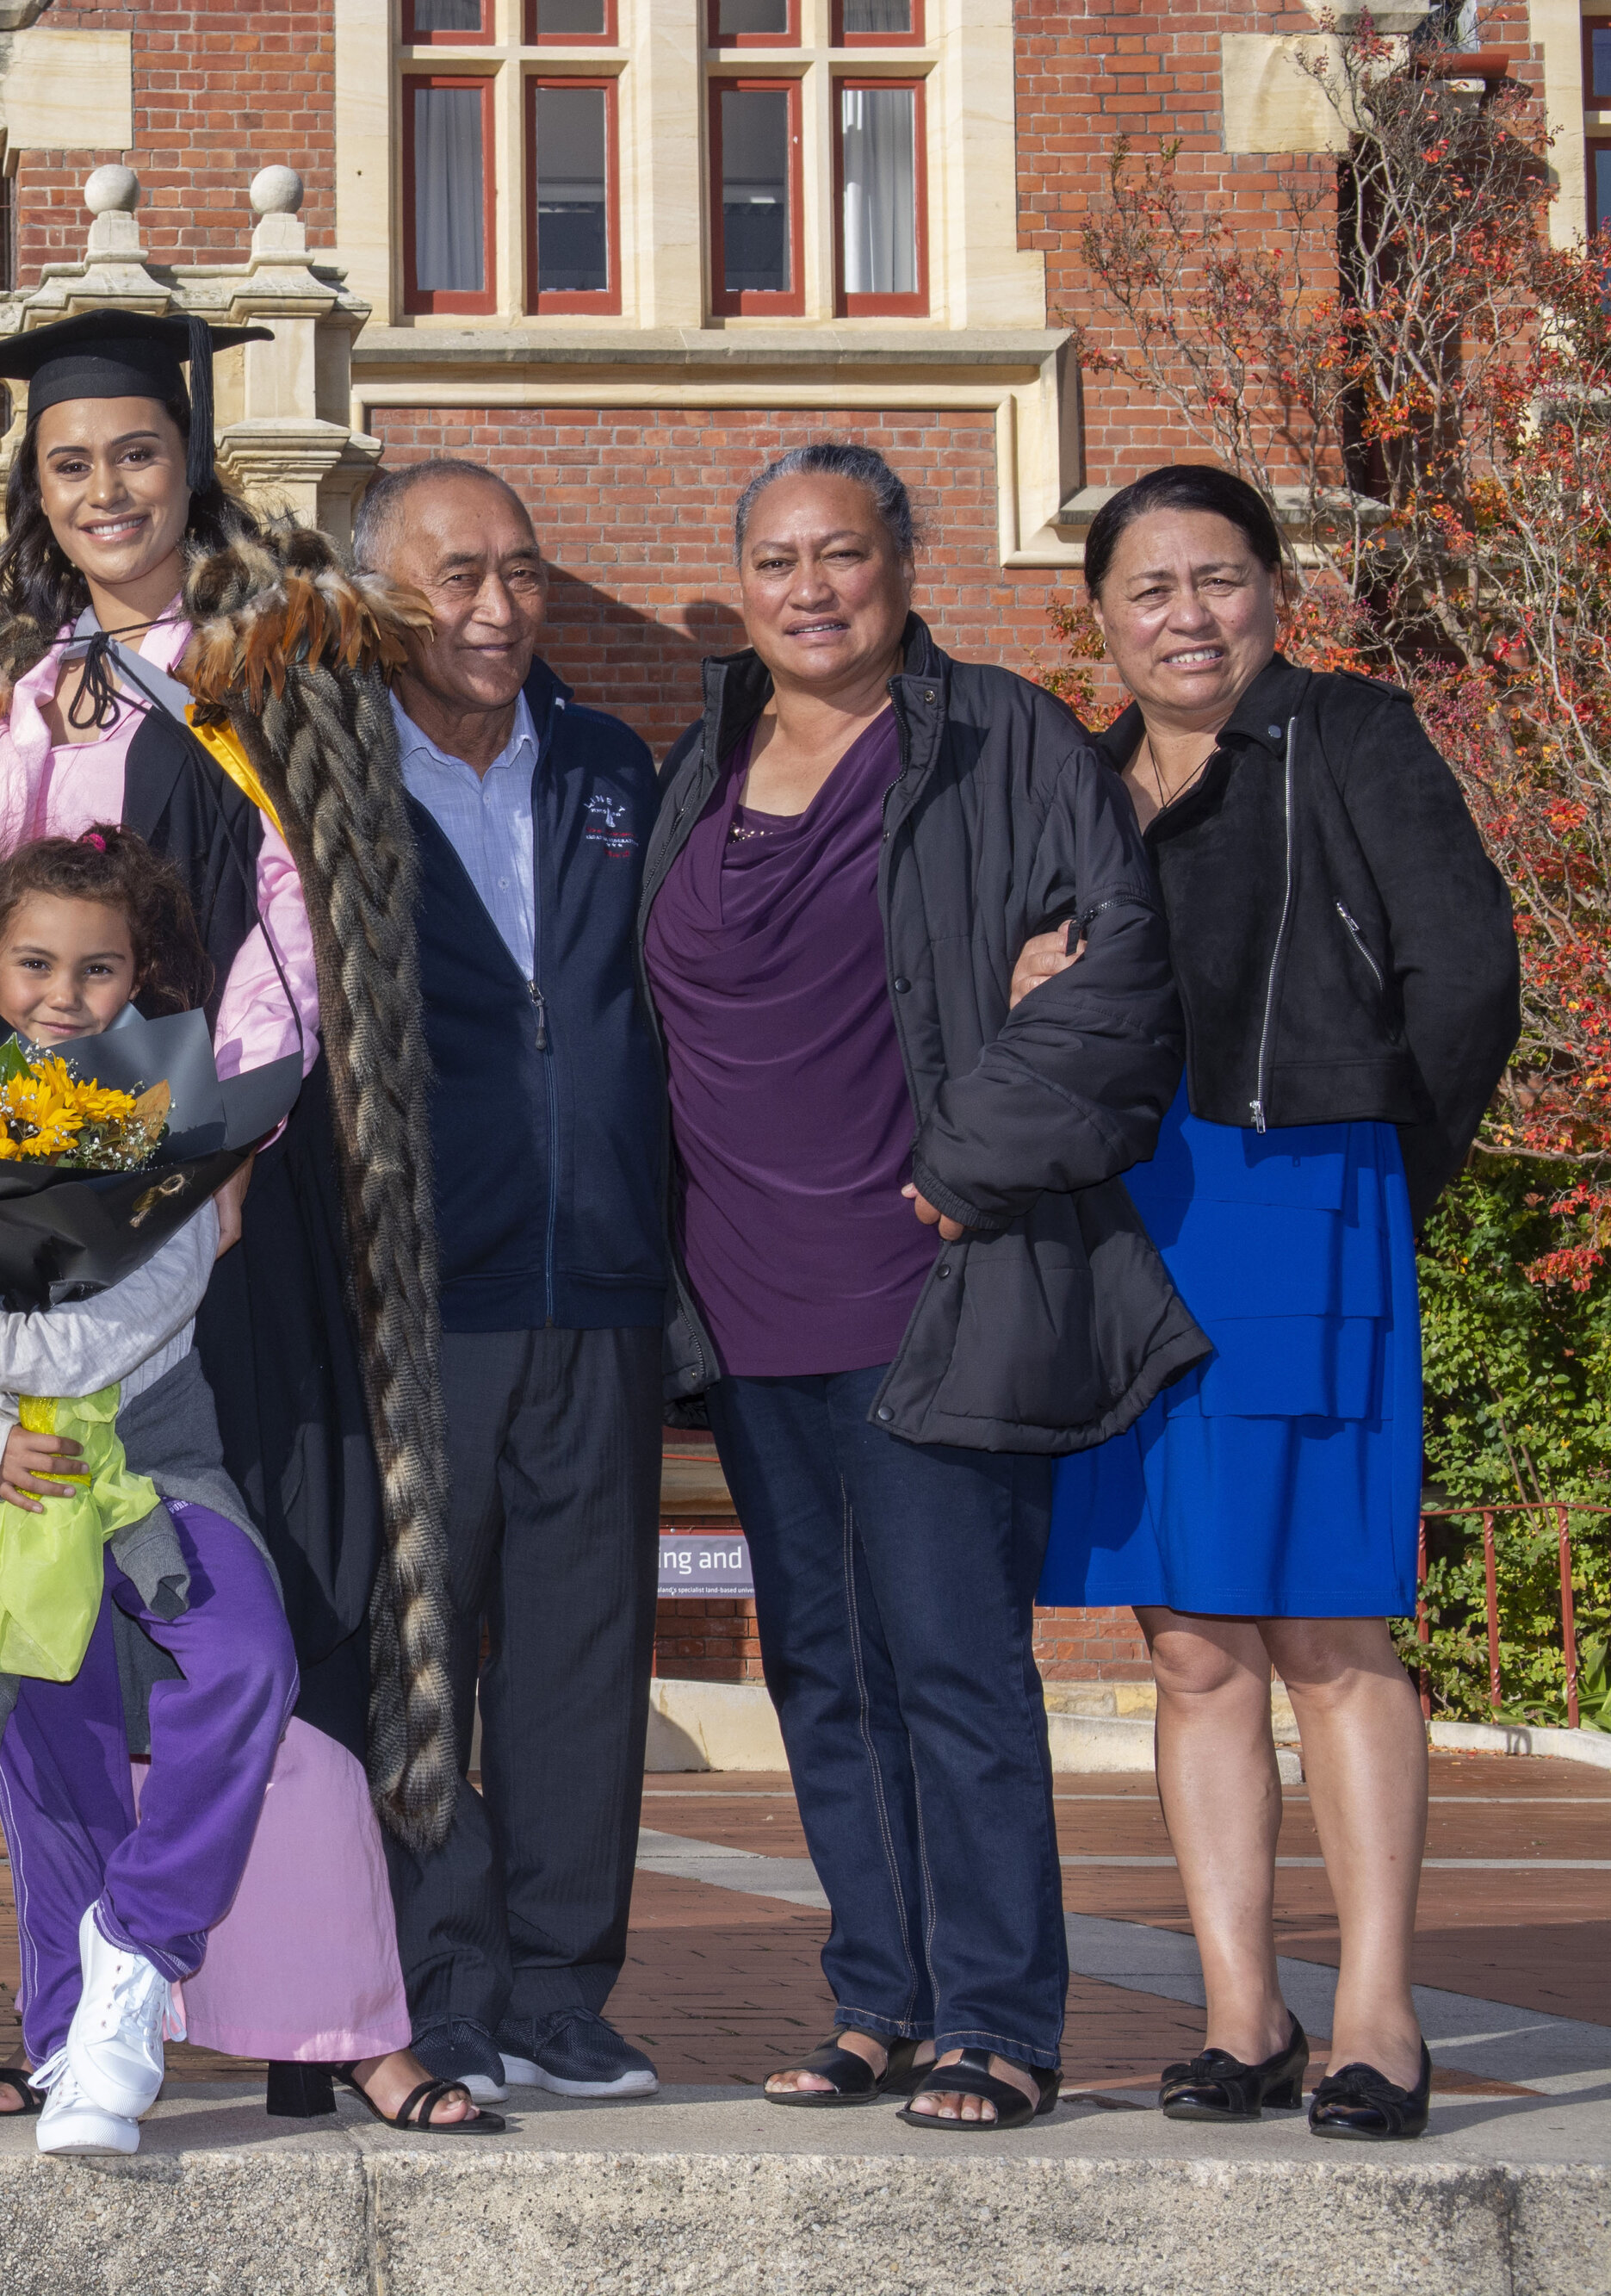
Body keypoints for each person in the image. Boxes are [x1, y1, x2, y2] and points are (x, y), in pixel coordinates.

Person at [0, 309, 469, 2132]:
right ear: (37, 482)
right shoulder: (14, 687)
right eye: (70, 463)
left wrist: (210, 1147)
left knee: (279, 1608)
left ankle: (333, 2019)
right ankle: (72, 2003)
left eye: (134, 455)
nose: (104, 490)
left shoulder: (281, 661)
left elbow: (305, 927)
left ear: (189, 465)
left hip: (224, 1208)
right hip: (39, 1211)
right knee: (52, 1621)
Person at [638, 441, 1200, 2134]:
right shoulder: (701, 758)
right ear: (739, 582)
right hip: (739, 1305)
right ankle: (877, 1994)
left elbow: (1118, 982)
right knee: (820, 1664)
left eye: (845, 554)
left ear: (902, 568)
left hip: (926, 1288)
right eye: (777, 558)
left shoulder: (998, 739)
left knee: (951, 1662)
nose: (811, 587)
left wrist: (966, 1165)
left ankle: (997, 2021)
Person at [0, 828, 489, 2157]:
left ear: (134, 976)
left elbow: (141, 1313)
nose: (61, 992)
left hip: (157, 1470)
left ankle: (138, 1943)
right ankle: (68, 2046)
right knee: (56, 1761)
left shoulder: (176, 1119)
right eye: (33, 962)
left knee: (243, 1665)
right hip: (7, 1491)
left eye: (95, 969)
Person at [1031, 464, 1517, 2144]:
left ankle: (1376, 2011)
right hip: (1125, 1227)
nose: (1186, 615)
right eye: (1149, 589)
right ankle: (1242, 2010)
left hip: (1303, 1199)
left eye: (1217, 579)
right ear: (1099, 618)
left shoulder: (1348, 737)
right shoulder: (1073, 784)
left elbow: (1465, 975)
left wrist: (1378, 1178)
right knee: (1184, 1642)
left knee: (1325, 1626)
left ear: (1273, 595)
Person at [348, 459, 671, 2105]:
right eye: (453, 575)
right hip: (417, 1296)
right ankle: (439, 1990)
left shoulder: (614, 765)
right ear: (376, 595)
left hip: (601, 1277)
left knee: (578, 1657)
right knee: (417, 1657)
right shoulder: (322, 776)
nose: (493, 607)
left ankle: (560, 1989)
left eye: (521, 573)